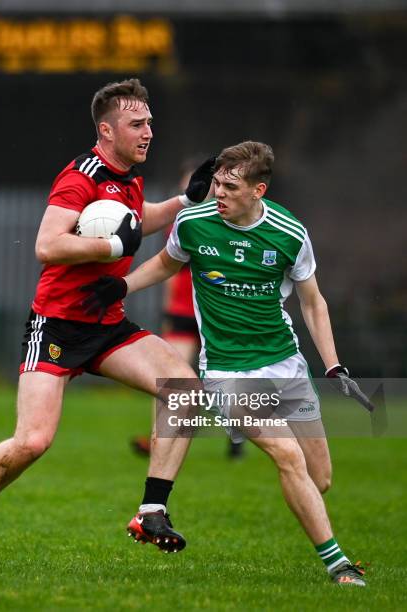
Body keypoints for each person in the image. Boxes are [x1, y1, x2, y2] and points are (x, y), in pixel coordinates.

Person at [0, 78, 213, 572]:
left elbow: (134, 220)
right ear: (106, 131)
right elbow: (48, 244)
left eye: (150, 121)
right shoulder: (81, 177)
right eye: (137, 124)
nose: (149, 131)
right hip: (58, 327)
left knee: (185, 390)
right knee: (33, 442)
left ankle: (152, 511)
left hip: (106, 324)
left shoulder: (128, 174)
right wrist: (112, 248)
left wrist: (180, 203)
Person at [82, 141, 368, 586]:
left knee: (320, 478)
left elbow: (313, 304)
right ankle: (339, 565)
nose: (218, 192)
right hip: (228, 372)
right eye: (216, 182)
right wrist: (121, 287)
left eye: (230, 186)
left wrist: (333, 366)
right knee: (287, 456)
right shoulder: (194, 223)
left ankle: (300, 500)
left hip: (285, 365)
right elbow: (162, 264)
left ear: (259, 191)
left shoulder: (290, 232)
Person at [132, 159, 245, 459]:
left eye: (197, 183)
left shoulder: (231, 221)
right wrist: (168, 309)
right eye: (186, 183)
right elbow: (168, 268)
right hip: (182, 312)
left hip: (215, 312)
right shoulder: (179, 221)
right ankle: (160, 437)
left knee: (223, 378)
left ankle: (237, 431)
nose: (191, 188)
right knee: (171, 377)